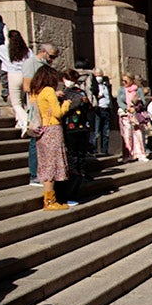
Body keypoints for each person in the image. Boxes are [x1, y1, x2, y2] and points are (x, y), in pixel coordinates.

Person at [29, 65, 72, 210]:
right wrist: (66, 104)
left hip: (42, 131)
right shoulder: (49, 91)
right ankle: (49, 201)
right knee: (52, 166)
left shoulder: (38, 92)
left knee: (47, 165)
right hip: (53, 130)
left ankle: (50, 199)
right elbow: (58, 113)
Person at [23, 44, 56, 185]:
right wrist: (46, 93)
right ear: (43, 52)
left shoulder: (45, 64)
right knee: (34, 141)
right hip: (36, 109)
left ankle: (44, 172)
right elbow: (26, 86)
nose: (53, 60)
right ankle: (34, 174)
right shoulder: (31, 63)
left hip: (47, 109)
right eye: (51, 56)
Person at [59, 69, 92, 204]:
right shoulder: (62, 93)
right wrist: (75, 102)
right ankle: (75, 176)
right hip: (69, 127)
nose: (72, 82)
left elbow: (89, 106)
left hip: (82, 127)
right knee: (72, 154)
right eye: (70, 79)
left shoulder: (80, 92)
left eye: (74, 79)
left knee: (81, 153)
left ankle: (82, 173)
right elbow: (63, 108)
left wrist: (85, 102)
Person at [0, 30, 32, 129]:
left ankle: (26, 120)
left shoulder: (6, 49)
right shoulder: (27, 51)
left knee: (16, 103)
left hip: (13, 75)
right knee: (22, 100)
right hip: (25, 75)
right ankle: (19, 122)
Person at [116, 73, 148, 163]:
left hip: (136, 114)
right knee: (127, 135)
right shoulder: (121, 90)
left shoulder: (138, 90)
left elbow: (143, 101)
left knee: (138, 134)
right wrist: (127, 108)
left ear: (131, 80)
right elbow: (119, 101)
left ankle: (140, 154)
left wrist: (135, 107)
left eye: (125, 81)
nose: (124, 82)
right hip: (125, 115)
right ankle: (128, 155)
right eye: (122, 81)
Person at [90, 68, 113, 156]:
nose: (99, 77)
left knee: (106, 132)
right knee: (96, 132)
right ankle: (94, 150)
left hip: (106, 108)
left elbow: (109, 96)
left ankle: (105, 150)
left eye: (100, 75)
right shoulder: (93, 85)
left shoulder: (105, 84)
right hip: (98, 109)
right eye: (97, 75)